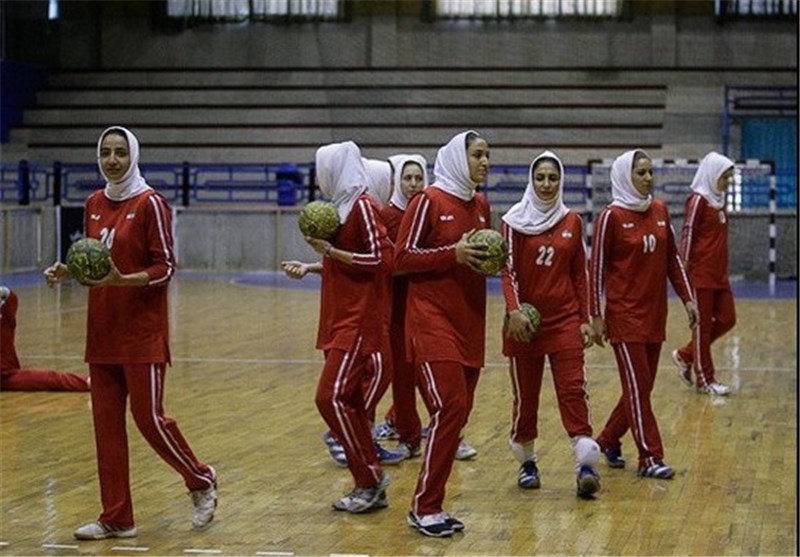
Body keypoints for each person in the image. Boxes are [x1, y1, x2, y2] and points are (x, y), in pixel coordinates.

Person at [43, 126, 217, 540]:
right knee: (105, 428)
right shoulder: (92, 203)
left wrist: (126, 281)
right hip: (101, 332)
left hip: (142, 334)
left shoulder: (151, 203)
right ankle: (117, 516)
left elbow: (167, 267)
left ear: (134, 156)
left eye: (121, 152)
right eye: (106, 152)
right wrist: (70, 270)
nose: (113, 160)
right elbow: (97, 262)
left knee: (148, 419)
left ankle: (201, 479)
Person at [394, 130, 491, 537]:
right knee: (449, 407)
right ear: (457, 157)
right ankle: (425, 506)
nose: (485, 162)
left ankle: (431, 503)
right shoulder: (427, 201)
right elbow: (399, 259)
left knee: (458, 415)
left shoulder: (482, 205)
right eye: (478, 155)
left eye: (488, 156)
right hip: (431, 323)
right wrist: (451, 254)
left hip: (470, 322)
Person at [589, 149, 698, 480]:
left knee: (641, 388)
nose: (648, 178)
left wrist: (688, 299)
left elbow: (673, 261)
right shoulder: (610, 216)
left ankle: (607, 439)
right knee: (638, 388)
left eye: (650, 172)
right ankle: (650, 457)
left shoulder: (661, 210)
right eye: (641, 173)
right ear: (626, 176)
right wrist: (595, 315)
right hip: (624, 318)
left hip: (655, 315)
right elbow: (594, 269)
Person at [500, 150, 601, 497]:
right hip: (523, 325)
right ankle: (527, 463)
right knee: (525, 399)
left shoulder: (572, 221)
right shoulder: (512, 221)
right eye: (540, 177)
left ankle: (585, 464)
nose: (546, 184)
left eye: (552, 178)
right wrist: (513, 311)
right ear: (532, 179)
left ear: (561, 182)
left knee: (573, 391)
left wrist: (585, 319)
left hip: (564, 322)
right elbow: (508, 271)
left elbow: (580, 275)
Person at [303, 141, 393, 513]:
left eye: (322, 167)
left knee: (330, 397)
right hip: (339, 316)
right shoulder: (338, 208)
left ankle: (368, 477)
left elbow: (382, 258)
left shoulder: (364, 206)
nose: (319, 175)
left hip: (359, 321)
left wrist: (330, 251)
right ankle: (369, 481)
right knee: (350, 401)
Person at [671, 152, 737, 396]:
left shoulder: (719, 199)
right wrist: (685, 265)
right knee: (702, 328)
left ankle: (685, 355)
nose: (727, 183)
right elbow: (688, 231)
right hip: (701, 274)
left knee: (728, 319)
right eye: (724, 178)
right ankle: (704, 379)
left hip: (720, 274)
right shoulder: (698, 199)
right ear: (712, 174)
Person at [1, 286, 90, 392]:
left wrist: (4, 292)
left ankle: (90, 382)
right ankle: (89, 382)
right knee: (48, 379)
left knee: (48, 379)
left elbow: (11, 300)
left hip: (7, 371)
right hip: (6, 375)